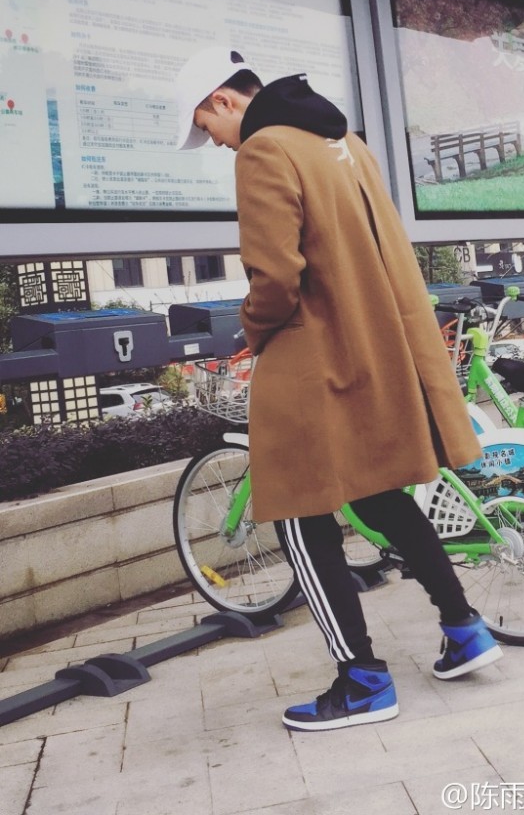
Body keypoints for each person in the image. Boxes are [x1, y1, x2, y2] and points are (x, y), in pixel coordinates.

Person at [173, 47, 501, 732]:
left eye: (209, 128)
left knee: (296, 514)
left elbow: (276, 277)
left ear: (225, 101)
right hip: (378, 346)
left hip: (313, 362)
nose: (216, 143)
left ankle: (362, 679)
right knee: (382, 494)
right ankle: (463, 627)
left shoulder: (264, 151)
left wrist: (252, 329)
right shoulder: (342, 139)